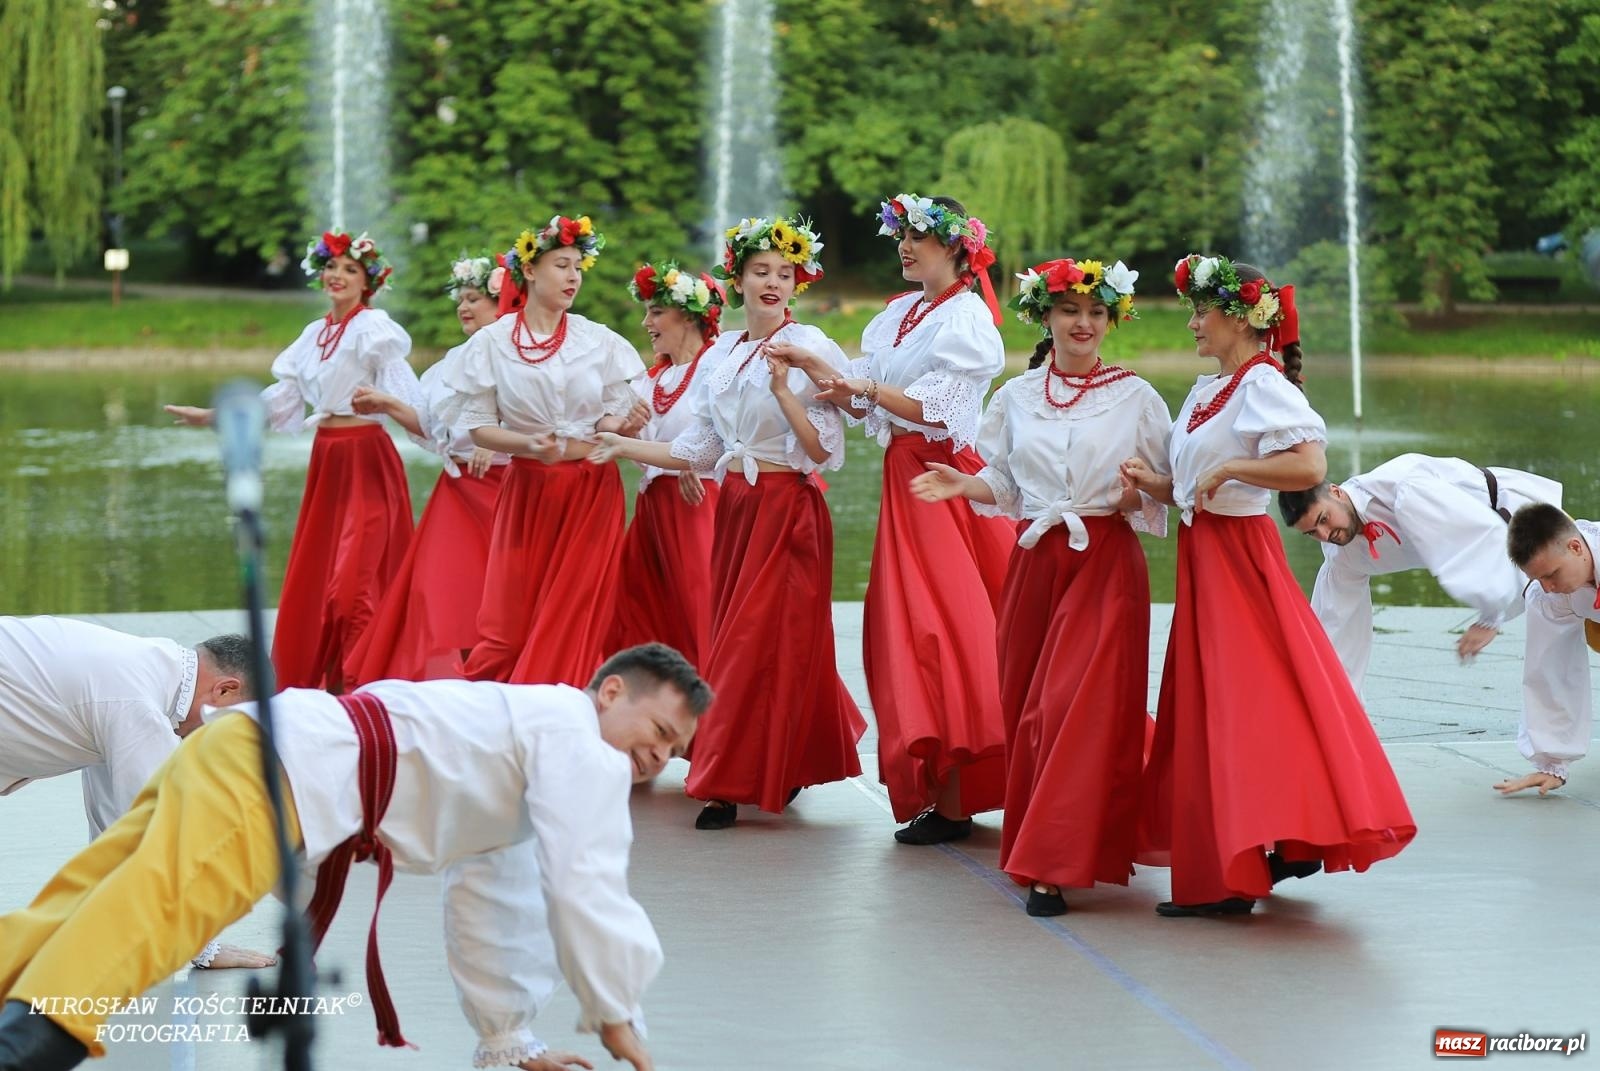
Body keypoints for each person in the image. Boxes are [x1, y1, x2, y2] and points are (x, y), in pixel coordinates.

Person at [0, 643, 711, 1071]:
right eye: (656, 728)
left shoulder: (532, 739)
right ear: (610, 691)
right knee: (150, 917)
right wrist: (615, 1009)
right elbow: (587, 881)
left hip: (250, 749)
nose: (656, 754)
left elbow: (498, 898)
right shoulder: (577, 740)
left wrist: (509, 1039)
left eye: (674, 750)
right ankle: (25, 1046)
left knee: (93, 898)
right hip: (277, 777)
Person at [1122, 253, 1415, 917]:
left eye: (1203, 310)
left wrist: (1231, 467)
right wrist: (1151, 483)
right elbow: (1195, 486)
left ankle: (1238, 868)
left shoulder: (1264, 382)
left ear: (1240, 317)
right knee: (1214, 706)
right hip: (1204, 556)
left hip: (1239, 561)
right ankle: (1251, 851)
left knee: (1242, 705)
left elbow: (1310, 461)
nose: (1193, 322)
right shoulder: (1206, 390)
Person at [590, 215, 866, 830]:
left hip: (788, 507)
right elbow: (701, 447)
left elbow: (823, 452)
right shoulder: (724, 351)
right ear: (737, 280)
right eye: (760, 271)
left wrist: (787, 388)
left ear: (797, 282)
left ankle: (721, 779)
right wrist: (623, 447)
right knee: (739, 640)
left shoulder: (812, 343)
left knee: (760, 642)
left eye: (784, 273)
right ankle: (777, 760)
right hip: (737, 510)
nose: (773, 282)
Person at [912, 257, 1170, 914]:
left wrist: (1144, 488)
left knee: (1071, 708)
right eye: (1069, 311)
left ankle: (1053, 864)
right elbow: (1001, 483)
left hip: (1105, 561)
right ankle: (1045, 839)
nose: (1083, 324)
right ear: (1046, 317)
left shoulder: (1138, 398)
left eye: (1095, 313)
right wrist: (959, 484)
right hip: (1034, 563)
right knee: (1029, 708)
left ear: (1111, 320)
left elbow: (1167, 494)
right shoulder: (1016, 396)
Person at [776, 193, 1014, 845]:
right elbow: (861, 399)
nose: (905, 247)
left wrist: (867, 391)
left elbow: (941, 411)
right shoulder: (899, 315)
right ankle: (947, 790)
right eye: (900, 235)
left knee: (949, 630)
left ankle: (963, 794)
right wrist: (809, 365)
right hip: (903, 480)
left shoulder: (966, 320)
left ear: (957, 247)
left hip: (944, 478)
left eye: (918, 237)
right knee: (909, 633)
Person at [165, 230, 420, 692]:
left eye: (350, 269)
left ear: (368, 283)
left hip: (366, 459)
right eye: (332, 267)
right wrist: (212, 416)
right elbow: (282, 401)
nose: (337, 276)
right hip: (329, 461)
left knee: (353, 587)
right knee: (322, 581)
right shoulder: (315, 335)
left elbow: (408, 401)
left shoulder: (374, 329)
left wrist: (386, 404)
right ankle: (324, 688)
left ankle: (358, 686)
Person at [431, 215, 649, 686]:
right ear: (530, 271)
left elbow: (608, 417)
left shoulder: (598, 340)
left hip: (591, 491)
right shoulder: (491, 343)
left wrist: (623, 425)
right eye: (562, 265)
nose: (573, 277)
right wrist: (527, 443)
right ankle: (489, 713)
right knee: (509, 623)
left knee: (572, 615)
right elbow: (479, 428)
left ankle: (562, 716)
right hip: (528, 490)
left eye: (578, 267)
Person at [1278, 454, 1571, 793]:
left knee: (1577, 601)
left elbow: (1472, 537)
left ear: (1336, 491)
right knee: (1556, 628)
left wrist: (1491, 614)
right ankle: (1554, 765)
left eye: (1324, 519)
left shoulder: (1405, 490)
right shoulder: (1342, 556)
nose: (1327, 534)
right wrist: (1331, 723)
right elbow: (1335, 638)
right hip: (1494, 547)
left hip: (1517, 518)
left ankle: (1554, 760)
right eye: (1313, 532)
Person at [0, 615, 269, 970]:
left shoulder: (143, 668)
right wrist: (203, 948)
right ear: (224, 690)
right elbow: (157, 842)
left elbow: (116, 832)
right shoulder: (139, 708)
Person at [343, 252, 511, 683]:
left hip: (500, 488)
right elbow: (433, 429)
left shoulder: (516, 355)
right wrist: (388, 403)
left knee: (494, 595)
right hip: (456, 490)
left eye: (475, 298)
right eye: (461, 299)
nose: (464, 307)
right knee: (437, 590)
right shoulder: (455, 360)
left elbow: (537, 414)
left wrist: (490, 436)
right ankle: (464, 681)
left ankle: (495, 682)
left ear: (503, 301)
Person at [605, 262, 726, 671]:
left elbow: (733, 431)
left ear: (689, 316)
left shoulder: (716, 368)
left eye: (655, 312)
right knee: (638, 614)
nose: (646, 322)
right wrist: (630, 431)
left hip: (700, 508)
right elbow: (641, 455)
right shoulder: (649, 383)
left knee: (701, 614)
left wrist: (693, 459)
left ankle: (716, 721)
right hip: (654, 510)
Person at [1503, 502, 1600, 795]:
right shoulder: (1549, 597)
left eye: (1552, 574)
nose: (1548, 587)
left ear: (1576, 547)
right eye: (1538, 578)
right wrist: (1552, 763)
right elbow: (1551, 669)